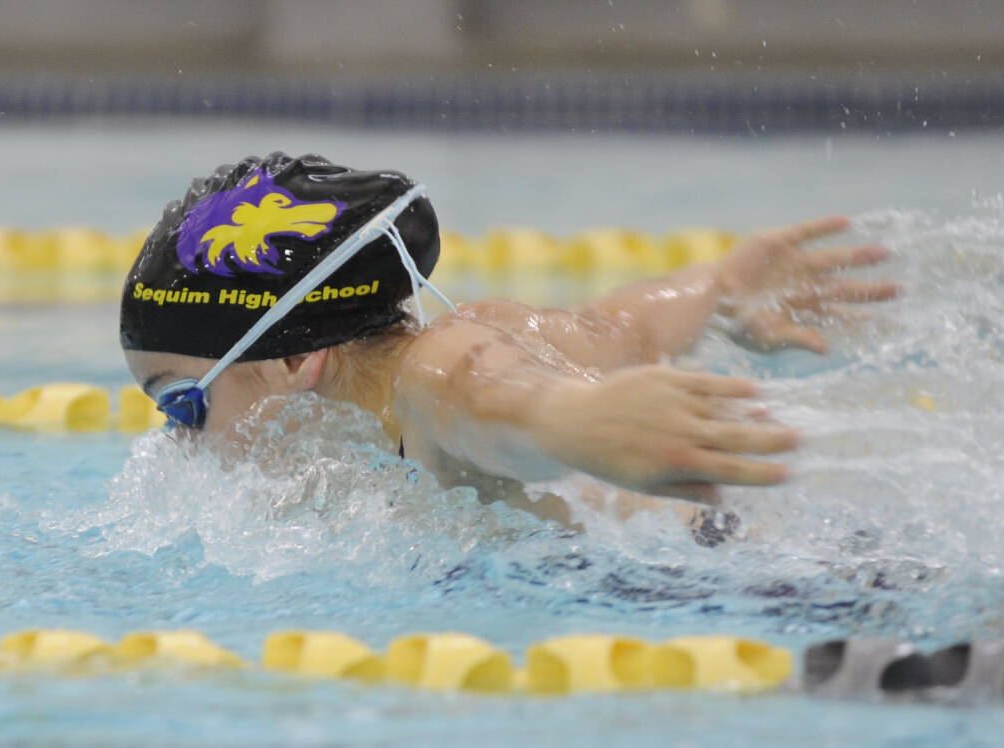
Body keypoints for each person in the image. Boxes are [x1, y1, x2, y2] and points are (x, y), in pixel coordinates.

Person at [120, 152, 897, 529]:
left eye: (183, 407)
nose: (181, 445)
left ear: (293, 359)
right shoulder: (488, 324)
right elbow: (620, 330)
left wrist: (582, 427)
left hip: (763, 584)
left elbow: (497, 402)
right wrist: (723, 290)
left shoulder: (433, 376)